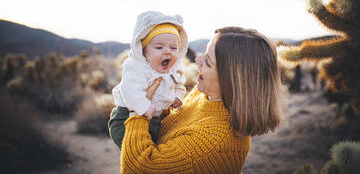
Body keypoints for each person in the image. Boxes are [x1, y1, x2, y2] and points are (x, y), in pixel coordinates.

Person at [119, 26, 284, 173]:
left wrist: (138, 112)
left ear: (232, 80)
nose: (198, 60)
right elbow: (172, 130)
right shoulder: (205, 95)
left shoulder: (214, 143)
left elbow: (138, 168)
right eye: (204, 53)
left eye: (208, 62)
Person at [108, 11, 188, 148]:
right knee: (134, 149)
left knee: (151, 149)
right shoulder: (137, 67)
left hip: (156, 119)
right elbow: (129, 89)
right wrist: (143, 107)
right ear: (144, 50)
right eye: (159, 47)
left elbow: (179, 85)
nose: (167, 51)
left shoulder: (174, 70)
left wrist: (178, 96)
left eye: (173, 48)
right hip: (125, 117)